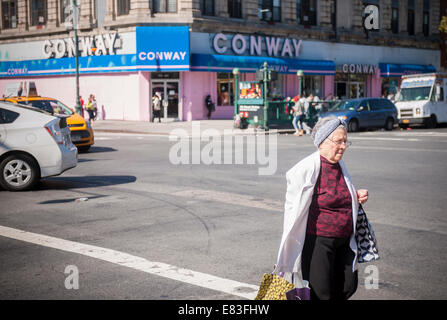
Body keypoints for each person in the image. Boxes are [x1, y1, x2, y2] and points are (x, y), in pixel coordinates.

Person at [275, 116, 369, 300]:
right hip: (319, 242)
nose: (343, 146)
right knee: (321, 293)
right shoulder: (306, 168)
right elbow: (294, 206)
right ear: (323, 141)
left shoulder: (339, 164)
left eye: (345, 141)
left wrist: (354, 196)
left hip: (344, 240)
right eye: (338, 141)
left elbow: (338, 193)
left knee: (348, 286)